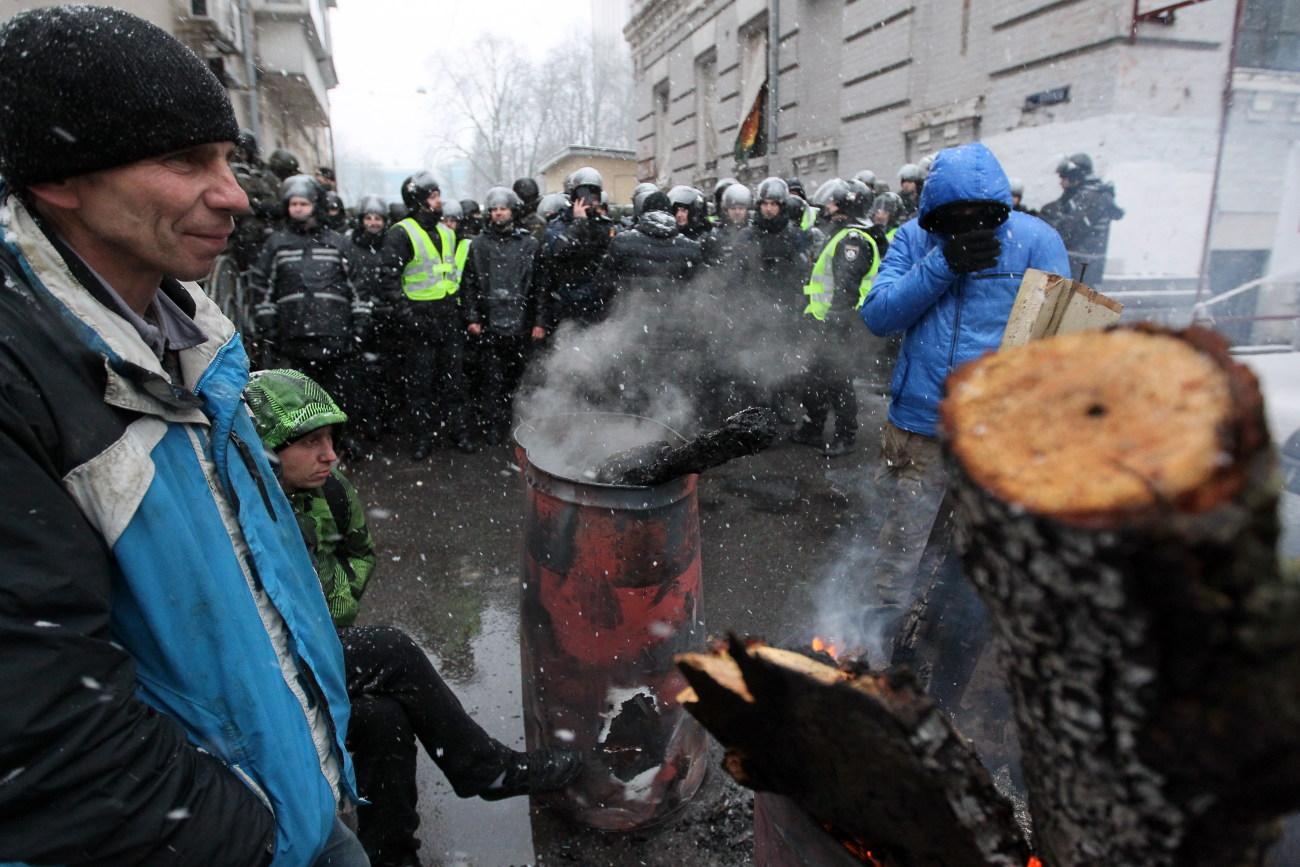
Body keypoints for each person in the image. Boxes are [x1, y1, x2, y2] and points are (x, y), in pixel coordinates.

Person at [0, 6, 365, 864]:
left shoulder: (196, 338)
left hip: (292, 804)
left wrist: (309, 768)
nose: (234, 194)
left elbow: (249, 587)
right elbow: (44, 742)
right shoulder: (22, 379)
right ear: (60, 176)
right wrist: (258, 832)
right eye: (185, 161)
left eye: (230, 160)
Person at [244, 370, 581, 867]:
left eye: (332, 439)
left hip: (314, 643)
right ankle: (480, 767)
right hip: (259, 669)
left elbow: (357, 551)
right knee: (391, 650)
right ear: (266, 448)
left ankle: (394, 855)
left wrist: (331, 604)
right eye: (311, 442)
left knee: (385, 718)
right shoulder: (238, 510)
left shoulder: (329, 491)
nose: (330, 454)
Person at [860, 142, 1069, 663]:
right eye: (955, 218)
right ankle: (877, 656)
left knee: (976, 554)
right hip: (919, 429)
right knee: (898, 551)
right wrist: (942, 264)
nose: (969, 225)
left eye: (982, 216)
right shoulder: (912, 239)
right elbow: (878, 315)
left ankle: (953, 651)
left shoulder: (1037, 240)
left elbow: (1063, 339)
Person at [251, 173, 370, 430]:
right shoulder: (277, 244)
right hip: (294, 334)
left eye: (303, 203)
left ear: (315, 205)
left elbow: (358, 285)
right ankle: (311, 442)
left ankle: (341, 438)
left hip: (334, 333)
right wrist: (267, 323)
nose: (298, 209)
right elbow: (262, 285)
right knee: (302, 397)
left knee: (339, 393)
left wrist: (360, 322)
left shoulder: (338, 243)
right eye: (293, 204)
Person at [381, 170, 476, 458]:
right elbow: (388, 282)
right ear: (420, 201)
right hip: (419, 323)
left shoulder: (448, 233)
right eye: (434, 196)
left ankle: (458, 433)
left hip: (448, 319)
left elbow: (459, 277)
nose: (440, 201)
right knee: (419, 386)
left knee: (455, 382)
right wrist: (411, 318)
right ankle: (423, 438)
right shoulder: (401, 233)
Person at [795, 178, 888, 456]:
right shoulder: (843, 233)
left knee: (838, 381)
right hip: (827, 321)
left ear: (847, 205)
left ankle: (845, 437)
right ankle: (813, 428)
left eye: (834, 201)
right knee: (815, 378)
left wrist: (835, 321)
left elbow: (846, 287)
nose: (828, 205)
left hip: (840, 324)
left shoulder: (853, 238)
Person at [461, 186, 549, 445]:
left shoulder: (529, 244)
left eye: (503, 209)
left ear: (513, 211)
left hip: (522, 324)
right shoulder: (479, 245)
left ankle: (523, 427)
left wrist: (540, 320)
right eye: (494, 210)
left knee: (523, 381)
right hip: (490, 325)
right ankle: (494, 429)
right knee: (492, 382)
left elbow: (540, 285)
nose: (498, 214)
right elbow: (470, 284)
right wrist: (473, 317)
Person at [544, 166, 618, 327]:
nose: (590, 201)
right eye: (584, 194)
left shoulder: (605, 226)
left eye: (594, 195)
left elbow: (612, 259)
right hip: (565, 303)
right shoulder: (559, 224)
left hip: (597, 303)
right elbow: (558, 250)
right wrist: (579, 223)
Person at [1039, 152, 1124, 285]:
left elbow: (1070, 230)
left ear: (1075, 176)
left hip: (1080, 265)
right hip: (1079, 265)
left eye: (1064, 177)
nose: (1061, 182)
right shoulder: (1084, 194)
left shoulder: (1091, 197)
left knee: (1068, 304)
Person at [228, 128, 278, 271]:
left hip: (262, 226)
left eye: (243, 151)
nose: (240, 155)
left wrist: (260, 207)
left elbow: (275, 201)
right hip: (240, 226)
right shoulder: (231, 170)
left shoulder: (264, 174)